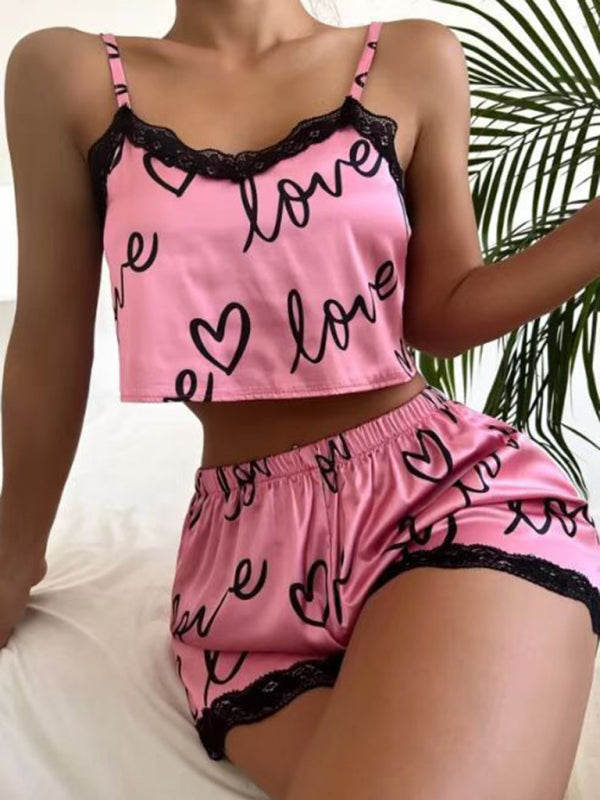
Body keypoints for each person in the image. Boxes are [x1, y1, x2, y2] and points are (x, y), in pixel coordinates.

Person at [2, 2, 600, 799]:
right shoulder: (63, 74)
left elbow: (441, 314)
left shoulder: (412, 56)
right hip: (240, 573)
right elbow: (49, 338)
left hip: (443, 503)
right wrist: (13, 561)